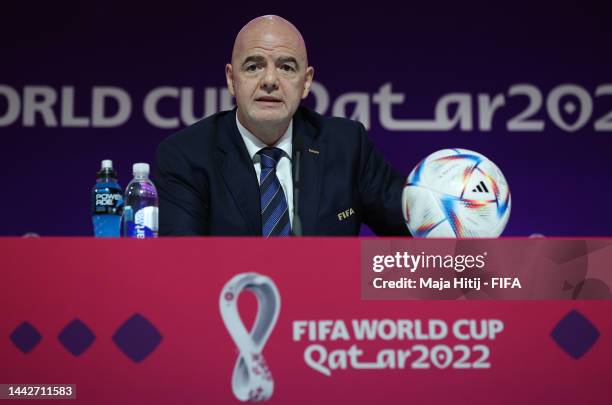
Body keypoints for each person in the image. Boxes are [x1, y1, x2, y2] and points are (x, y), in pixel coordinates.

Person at [155, 15, 409, 237]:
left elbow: (416, 227)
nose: (269, 80)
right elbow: (182, 263)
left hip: (328, 292)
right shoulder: (185, 155)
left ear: (306, 82)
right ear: (232, 80)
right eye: (254, 67)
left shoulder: (348, 145)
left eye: (286, 67)